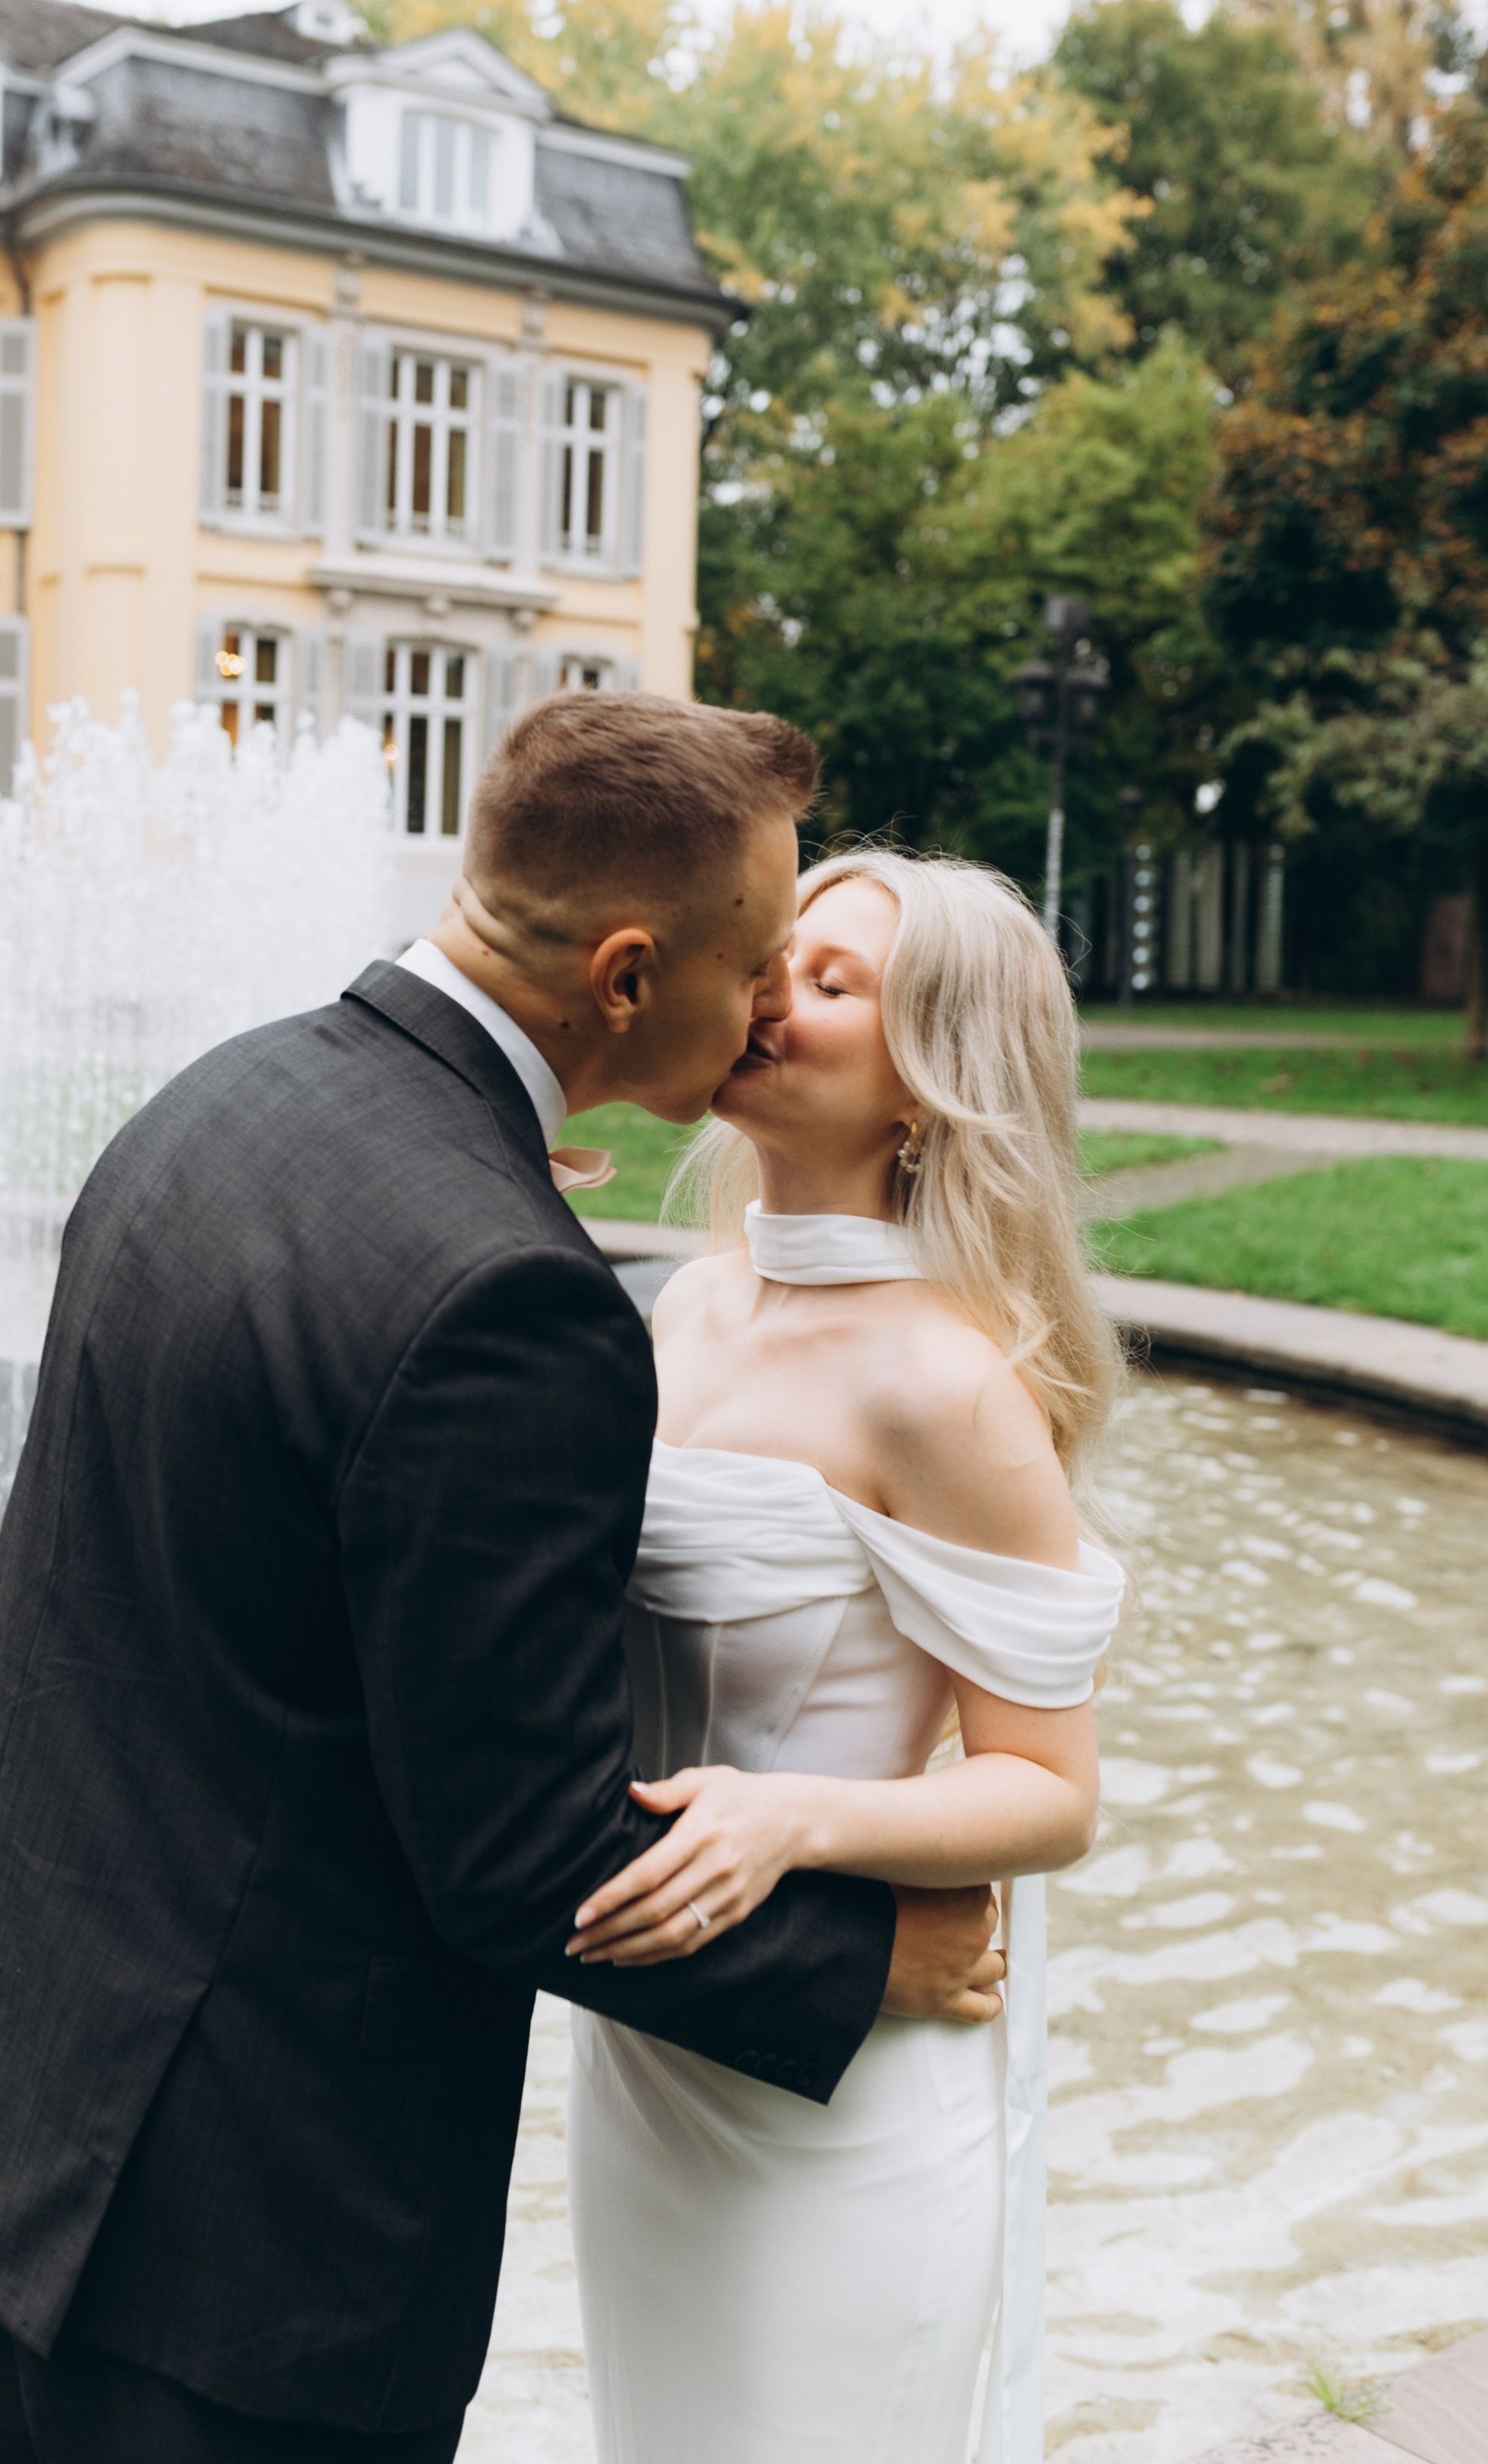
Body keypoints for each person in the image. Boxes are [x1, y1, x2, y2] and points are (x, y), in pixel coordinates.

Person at [0, 697, 1005, 2464]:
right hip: (235, 2227)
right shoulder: (506, 1299)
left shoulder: (229, 1095)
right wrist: (865, 1957)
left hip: (0, 2070)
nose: (765, 1002)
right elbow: (516, 1859)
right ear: (620, 976)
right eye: (753, 957)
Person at [564, 848, 1125, 2464]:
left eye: (834, 986)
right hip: (655, 2044)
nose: (768, 999)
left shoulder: (943, 1388)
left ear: (924, 1089)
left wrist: (785, 1818)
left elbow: (1046, 1791)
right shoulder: (687, 1309)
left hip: (845, 2090)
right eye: (774, 960)